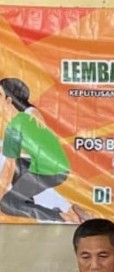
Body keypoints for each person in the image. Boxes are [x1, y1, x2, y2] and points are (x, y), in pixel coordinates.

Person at [0, 77, 88, 223]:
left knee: (7, 204)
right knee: (19, 163)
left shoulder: (14, 127)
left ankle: (65, 216)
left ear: (9, 100)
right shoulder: (30, 114)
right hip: (57, 165)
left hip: (50, 172)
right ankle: (27, 202)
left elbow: (8, 168)